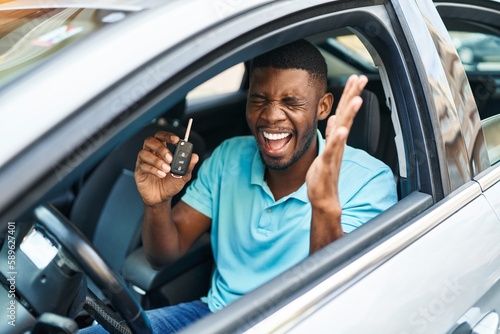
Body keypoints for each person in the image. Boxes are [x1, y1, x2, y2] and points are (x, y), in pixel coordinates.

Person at [82, 39, 397, 333]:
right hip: (216, 316)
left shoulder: (369, 180)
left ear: (323, 107)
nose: (271, 116)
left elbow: (337, 298)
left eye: (291, 102)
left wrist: (324, 205)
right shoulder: (229, 156)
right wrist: (156, 203)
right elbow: (162, 256)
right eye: (259, 99)